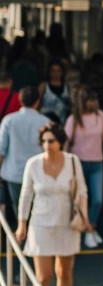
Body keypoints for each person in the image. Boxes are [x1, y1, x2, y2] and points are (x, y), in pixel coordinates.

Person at [15, 122, 91, 286]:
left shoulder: (73, 162)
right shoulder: (33, 164)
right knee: (43, 275)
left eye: (51, 141)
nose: (47, 145)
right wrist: (22, 224)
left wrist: (83, 216)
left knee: (64, 271)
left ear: (60, 142)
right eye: (44, 141)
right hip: (40, 224)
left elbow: (82, 191)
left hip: (67, 223)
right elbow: (26, 195)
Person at [65, 86, 103, 249]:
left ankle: (90, 228)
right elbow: (67, 141)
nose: (94, 103)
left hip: (97, 162)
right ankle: (82, 229)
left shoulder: (100, 116)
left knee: (97, 200)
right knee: (79, 199)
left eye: (95, 99)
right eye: (90, 100)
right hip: (77, 164)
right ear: (83, 101)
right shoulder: (73, 119)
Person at [0, 85, 48, 230]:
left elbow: (1, 150)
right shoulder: (45, 122)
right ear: (38, 101)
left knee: (19, 213)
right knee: (37, 212)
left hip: (14, 174)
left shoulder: (9, 120)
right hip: (39, 175)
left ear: (20, 100)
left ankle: (23, 242)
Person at [40, 60, 72, 124]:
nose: (56, 74)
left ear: (62, 72)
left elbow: (70, 104)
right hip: (46, 122)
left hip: (62, 123)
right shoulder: (43, 86)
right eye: (53, 71)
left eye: (58, 71)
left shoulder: (67, 87)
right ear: (49, 72)